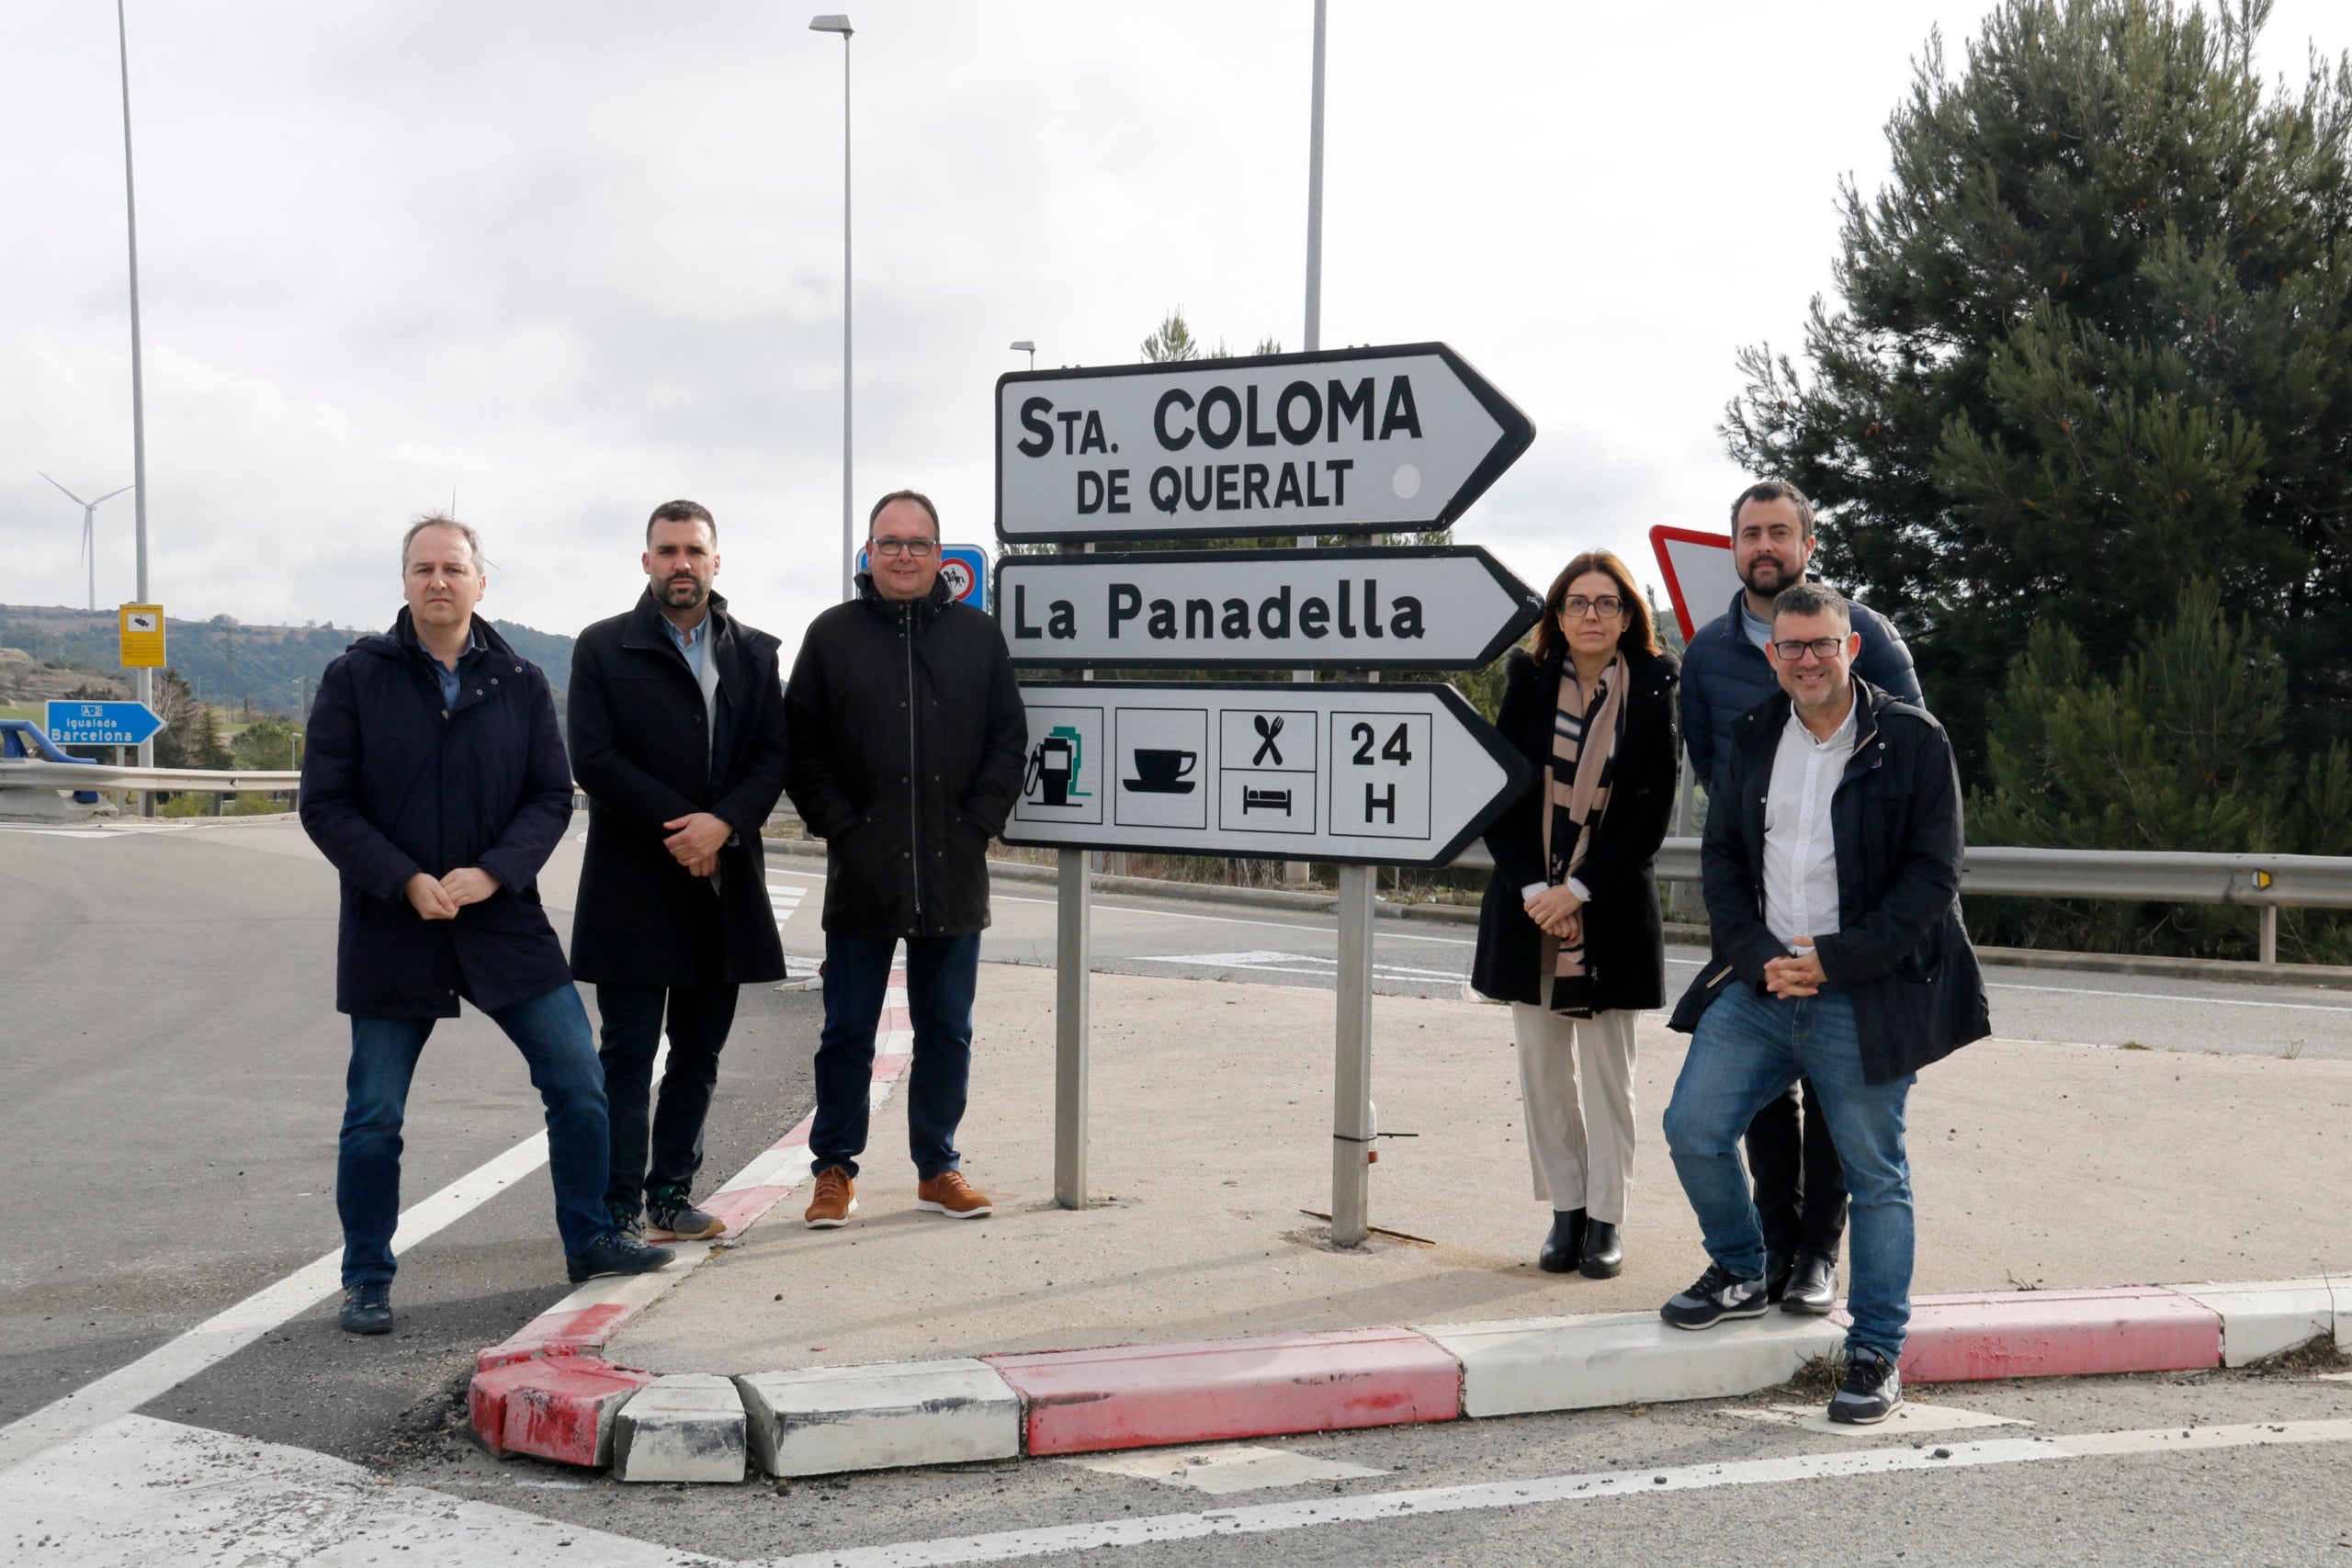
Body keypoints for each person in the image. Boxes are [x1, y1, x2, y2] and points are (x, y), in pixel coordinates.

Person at [301, 515, 672, 1337]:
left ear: (479, 581)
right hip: (393, 922)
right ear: (405, 581)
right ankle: (366, 1277)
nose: (439, 580)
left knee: (579, 1081)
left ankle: (589, 1240)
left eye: (453, 567)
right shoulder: (353, 676)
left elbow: (551, 796)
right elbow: (324, 804)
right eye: (423, 567)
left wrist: (495, 871)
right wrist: (403, 878)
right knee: (375, 1114)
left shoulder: (521, 680)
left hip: (501, 917)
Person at [1659, 581, 1988, 1425]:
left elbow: (1933, 877)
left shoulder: (1911, 740)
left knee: (1878, 1177)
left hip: (1862, 993)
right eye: (1791, 647)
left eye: (1822, 645)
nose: (1807, 659)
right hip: (1763, 985)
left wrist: (1834, 961)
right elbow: (1725, 863)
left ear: (1851, 648)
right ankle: (1741, 1264)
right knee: (1693, 1126)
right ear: (1773, 657)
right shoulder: (1752, 734)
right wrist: (1762, 957)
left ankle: (1876, 1347)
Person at [1678, 479, 1927, 1314]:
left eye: (1780, 532)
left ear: (1807, 545)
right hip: (1759, 917)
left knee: (1843, 1114)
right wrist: (1754, 943)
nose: (1765, 547)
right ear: (1734, 546)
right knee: (1740, 1108)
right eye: (1751, 533)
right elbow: (1715, 781)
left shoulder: (1872, 638)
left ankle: (1820, 1254)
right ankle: (1763, 1253)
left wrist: (1843, 952)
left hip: (1853, 936)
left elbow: (1909, 774)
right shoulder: (1711, 651)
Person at [784, 491, 1027, 1228]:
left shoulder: (978, 638)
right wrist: (840, 826)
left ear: (939, 554)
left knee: (947, 1029)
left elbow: (1008, 739)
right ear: (869, 553)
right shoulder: (831, 635)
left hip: (953, 870)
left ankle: (938, 1167)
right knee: (848, 1029)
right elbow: (801, 744)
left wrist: (977, 823)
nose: (904, 556)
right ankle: (833, 1170)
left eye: (918, 544)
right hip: (862, 870)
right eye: (890, 543)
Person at [568, 500, 792, 1242]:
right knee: (627, 1055)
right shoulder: (602, 647)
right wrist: (685, 826)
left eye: (694, 550)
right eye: (667, 551)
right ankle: (616, 1206)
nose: (681, 564)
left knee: (698, 1051)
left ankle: (672, 1192)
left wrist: (722, 825)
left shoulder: (755, 652)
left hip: (720, 885)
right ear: (646, 563)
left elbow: (772, 756)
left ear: (716, 562)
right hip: (634, 885)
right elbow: (594, 759)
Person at [1470, 550, 1678, 1280]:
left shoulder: (1653, 689)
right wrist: (1536, 890)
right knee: (1542, 1072)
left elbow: (1649, 813)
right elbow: (1497, 795)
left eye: (1607, 603)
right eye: (1577, 602)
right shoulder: (1526, 684)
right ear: (1556, 616)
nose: (1592, 615)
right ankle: (1566, 1210)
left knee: (1606, 1076)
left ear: (1628, 617)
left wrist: (1578, 890)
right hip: (1528, 910)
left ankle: (1608, 1218)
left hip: (1610, 909)